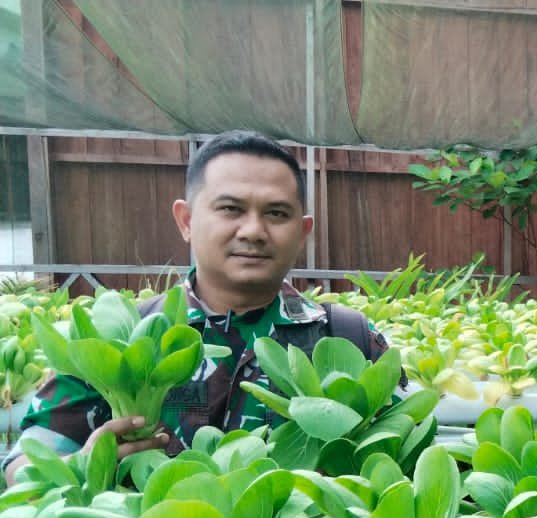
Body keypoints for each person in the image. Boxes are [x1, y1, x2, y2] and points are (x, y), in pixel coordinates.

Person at [5, 130, 388, 482]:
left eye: (276, 213)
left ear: (302, 232)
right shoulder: (115, 342)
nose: (253, 231)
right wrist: (83, 467)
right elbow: (22, 468)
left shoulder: (349, 339)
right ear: (186, 220)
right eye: (230, 209)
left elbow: (400, 459)